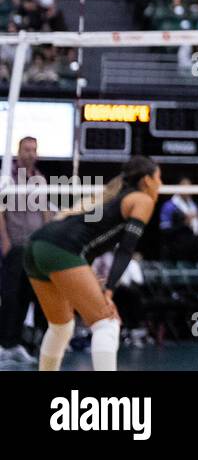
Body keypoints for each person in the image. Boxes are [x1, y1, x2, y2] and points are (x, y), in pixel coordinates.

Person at [24, 156, 161, 371]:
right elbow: (126, 249)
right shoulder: (142, 200)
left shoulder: (111, 198)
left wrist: (87, 277)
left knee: (61, 326)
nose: (160, 185)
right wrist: (109, 290)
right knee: (107, 322)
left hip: (36, 245)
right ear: (147, 180)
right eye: (158, 178)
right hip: (60, 249)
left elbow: (88, 244)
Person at [0, 136, 49, 365]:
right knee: (10, 297)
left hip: (36, 247)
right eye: (26, 149)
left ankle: (17, 344)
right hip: (15, 245)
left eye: (34, 149)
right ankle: (4, 344)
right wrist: (5, 241)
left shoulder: (39, 178)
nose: (30, 153)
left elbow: (45, 211)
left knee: (27, 297)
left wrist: (49, 240)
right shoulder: (6, 177)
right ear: (18, 151)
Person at [158, 176, 198, 262]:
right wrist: (184, 223)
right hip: (173, 252)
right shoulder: (169, 206)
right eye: (184, 186)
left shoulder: (194, 206)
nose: (187, 189)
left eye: (189, 186)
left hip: (191, 252)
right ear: (177, 187)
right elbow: (164, 229)